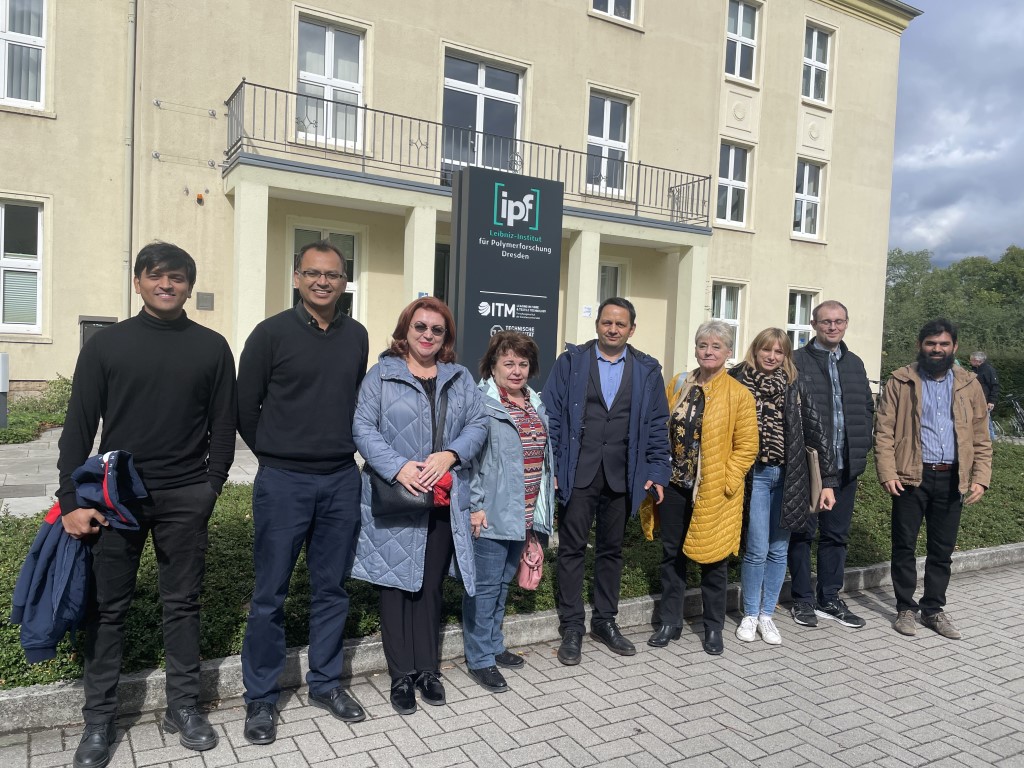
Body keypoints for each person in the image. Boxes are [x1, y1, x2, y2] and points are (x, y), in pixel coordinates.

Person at [57, 242, 236, 768]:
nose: (167, 285)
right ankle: (99, 722)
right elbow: (78, 425)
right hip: (118, 496)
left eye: (177, 278)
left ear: (188, 286)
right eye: (156, 276)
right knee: (107, 609)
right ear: (138, 282)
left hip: (185, 495)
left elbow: (223, 425)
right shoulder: (108, 346)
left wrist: (211, 486)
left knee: (182, 604)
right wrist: (70, 498)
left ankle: (183, 707)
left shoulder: (211, 347)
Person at [236, 240, 369, 745]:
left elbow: (355, 400)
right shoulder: (269, 334)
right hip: (284, 483)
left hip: (340, 480)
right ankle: (261, 699)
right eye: (312, 273)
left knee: (331, 590)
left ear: (343, 282)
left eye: (332, 275)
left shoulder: (356, 336)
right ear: (297, 278)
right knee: (269, 594)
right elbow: (246, 407)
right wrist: (277, 451)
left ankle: (326, 683)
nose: (322, 282)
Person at [352, 297, 487, 715]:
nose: (427, 335)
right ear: (405, 330)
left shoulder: (460, 378)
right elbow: (362, 426)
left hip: (443, 498)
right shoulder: (382, 375)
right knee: (394, 587)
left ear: (446, 337)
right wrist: (397, 468)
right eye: (420, 327)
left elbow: (478, 424)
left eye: (437, 330)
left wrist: (451, 454)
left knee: (428, 587)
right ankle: (400, 676)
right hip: (397, 495)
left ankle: (428, 670)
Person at [541, 297, 671, 665]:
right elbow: (551, 416)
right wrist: (552, 468)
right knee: (571, 550)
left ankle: (604, 620)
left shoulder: (647, 371)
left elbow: (657, 427)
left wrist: (657, 472)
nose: (612, 329)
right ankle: (571, 627)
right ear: (597, 324)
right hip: (577, 473)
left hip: (622, 475)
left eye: (620, 324)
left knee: (611, 551)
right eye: (606, 323)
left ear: (631, 329)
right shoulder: (571, 362)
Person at [642, 320, 757, 655]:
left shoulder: (738, 394)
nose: (708, 351)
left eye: (716, 347)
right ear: (696, 349)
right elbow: (659, 425)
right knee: (671, 555)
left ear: (728, 352)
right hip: (676, 485)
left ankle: (712, 628)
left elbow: (747, 445)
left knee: (714, 561)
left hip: (713, 490)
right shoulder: (680, 383)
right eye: (703, 345)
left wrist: (728, 479)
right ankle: (670, 622)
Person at [875, 319, 991, 640]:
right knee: (904, 546)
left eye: (943, 344)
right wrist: (887, 472)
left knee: (942, 550)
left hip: (952, 478)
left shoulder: (970, 385)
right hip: (911, 476)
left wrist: (980, 477)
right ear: (920, 345)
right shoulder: (901, 381)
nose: (936, 349)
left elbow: (981, 435)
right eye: (930, 343)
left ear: (954, 347)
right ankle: (905, 608)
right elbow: (883, 432)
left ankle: (933, 609)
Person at [730, 329, 837, 647]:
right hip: (755, 476)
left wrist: (828, 482)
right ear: (755, 350)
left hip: (790, 476)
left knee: (778, 550)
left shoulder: (795, 382)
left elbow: (817, 430)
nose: (772, 356)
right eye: (766, 350)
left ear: (786, 355)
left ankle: (767, 615)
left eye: (779, 351)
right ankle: (749, 614)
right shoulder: (737, 379)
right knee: (756, 549)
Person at [463, 332, 554, 693]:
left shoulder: (534, 401)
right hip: (493, 511)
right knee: (485, 588)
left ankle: (494, 645)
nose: (516, 371)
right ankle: (480, 658)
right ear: (493, 365)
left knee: (502, 584)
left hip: (525, 511)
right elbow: (468, 461)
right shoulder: (482, 404)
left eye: (523, 364)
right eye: (509, 363)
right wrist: (475, 506)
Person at [787, 300, 874, 629]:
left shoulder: (855, 363)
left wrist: (862, 447)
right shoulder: (796, 361)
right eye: (826, 322)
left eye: (838, 321)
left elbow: (866, 408)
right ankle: (802, 600)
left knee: (836, 536)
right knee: (802, 535)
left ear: (846, 323)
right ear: (814, 324)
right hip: (808, 469)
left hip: (845, 466)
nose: (833, 327)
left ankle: (830, 598)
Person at [969, 351, 999, 441]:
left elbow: (995, 385)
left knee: (987, 423)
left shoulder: (988, 370)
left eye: (971, 360)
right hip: (977, 400)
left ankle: (992, 442)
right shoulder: (975, 370)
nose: (970, 362)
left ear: (977, 360)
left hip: (985, 401)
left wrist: (991, 401)